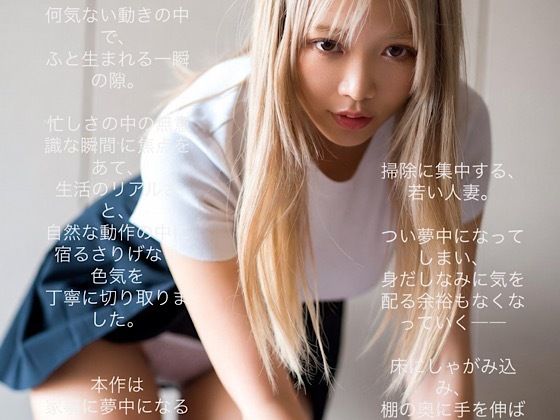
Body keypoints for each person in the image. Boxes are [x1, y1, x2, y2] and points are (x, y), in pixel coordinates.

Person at [0, 0, 492, 419]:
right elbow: (265, 405)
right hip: (113, 302)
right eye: (327, 45)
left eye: (398, 50)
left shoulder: (453, 131)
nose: (357, 88)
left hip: (281, 322)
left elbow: (441, 349)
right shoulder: (200, 128)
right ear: (280, 30)